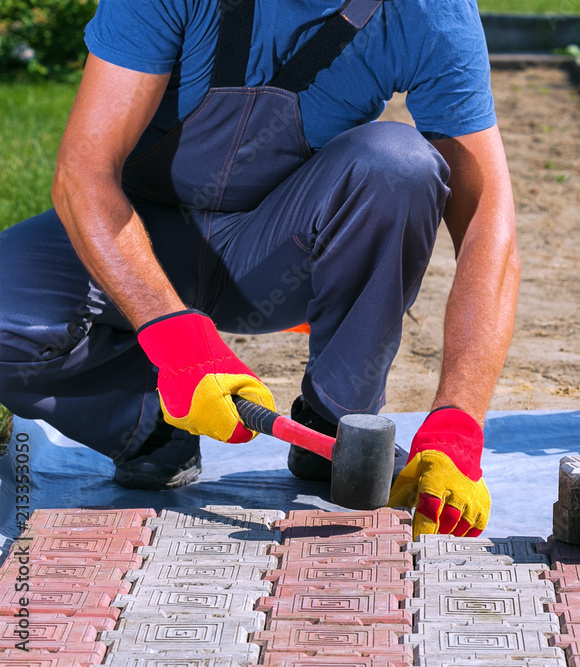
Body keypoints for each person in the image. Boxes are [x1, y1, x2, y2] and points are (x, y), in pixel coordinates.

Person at [0, 0, 520, 539]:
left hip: (275, 253)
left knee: (398, 166)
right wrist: (172, 335)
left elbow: (489, 224)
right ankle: (147, 421)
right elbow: (83, 172)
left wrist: (459, 421)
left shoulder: (428, 12)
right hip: (138, 242)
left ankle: (337, 424)